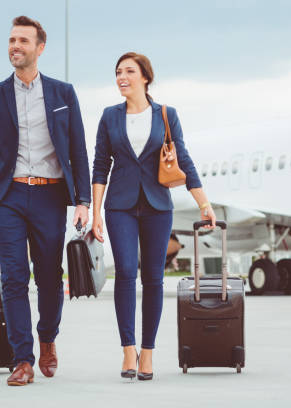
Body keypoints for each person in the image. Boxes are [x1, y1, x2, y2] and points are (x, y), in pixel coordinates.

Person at [0, 16, 90, 387]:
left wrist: (82, 199)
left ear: (40, 47)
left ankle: (47, 337)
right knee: (15, 277)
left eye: (22, 40)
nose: (14, 46)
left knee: (50, 277)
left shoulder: (63, 93)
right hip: (8, 196)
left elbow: (78, 150)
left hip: (51, 195)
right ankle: (22, 358)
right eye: (11, 40)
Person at [91, 52, 216, 381]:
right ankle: (128, 350)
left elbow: (183, 159)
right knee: (126, 273)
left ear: (145, 77)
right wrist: (95, 214)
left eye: (129, 71)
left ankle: (148, 353)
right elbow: (100, 166)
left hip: (158, 205)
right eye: (118, 71)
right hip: (119, 205)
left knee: (153, 279)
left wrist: (204, 203)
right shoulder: (109, 117)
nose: (122, 77)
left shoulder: (165, 115)